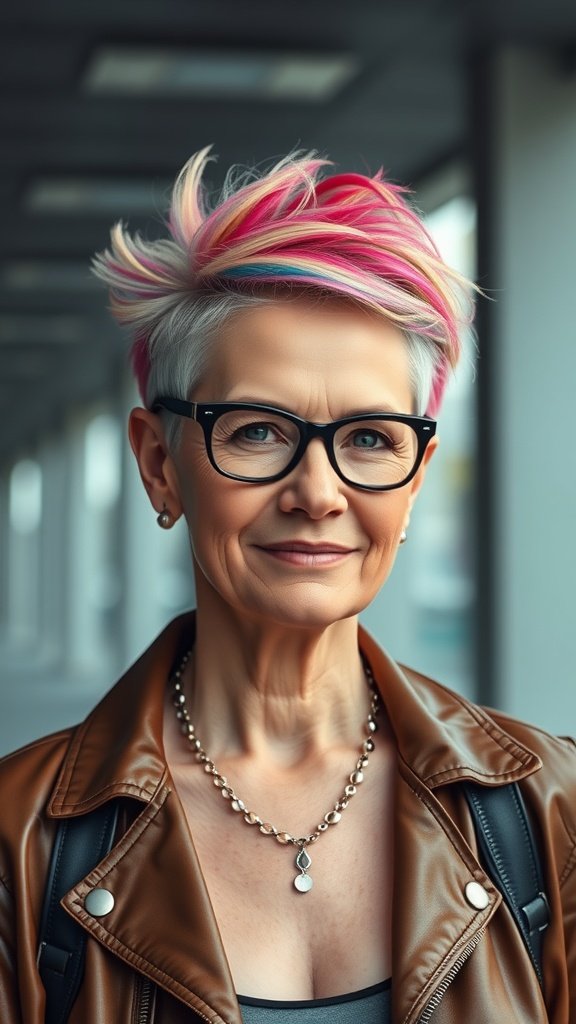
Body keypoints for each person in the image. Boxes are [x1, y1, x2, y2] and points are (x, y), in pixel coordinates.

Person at [0, 146, 574, 1024]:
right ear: (160, 464)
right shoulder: (20, 838)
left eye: (372, 439)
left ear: (415, 481)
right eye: (260, 430)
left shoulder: (548, 812)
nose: (318, 493)